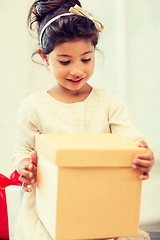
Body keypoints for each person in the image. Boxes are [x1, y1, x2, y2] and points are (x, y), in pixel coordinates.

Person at [11, 0, 154, 239]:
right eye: (65, 61)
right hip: (49, 211)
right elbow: (22, 150)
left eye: (86, 59)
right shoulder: (35, 107)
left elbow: (130, 137)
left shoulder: (108, 103)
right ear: (45, 58)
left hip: (100, 204)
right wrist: (25, 165)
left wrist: (142, 152)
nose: (77, 70)